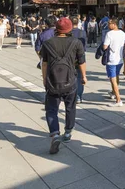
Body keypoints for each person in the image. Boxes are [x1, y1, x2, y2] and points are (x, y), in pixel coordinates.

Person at [41, 17, 87, 154]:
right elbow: (82, 62)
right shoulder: (76, 42)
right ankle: (67, 133)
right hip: (70, 81)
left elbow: (44, 63)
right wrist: (83, 76)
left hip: (53, 82)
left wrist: (44, 79)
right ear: (70, 29)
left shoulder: (48, 43)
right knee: (70, 107)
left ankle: (55, 134)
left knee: (51, 109)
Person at [103, 19, 125, 107]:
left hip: (111, 60)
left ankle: (118, 99)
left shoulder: (109, 34)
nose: (108, 25)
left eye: (109, 23)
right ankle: (113, 92)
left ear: (114, 24)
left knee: (113, 80)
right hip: (119, 60)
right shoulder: (122, 33)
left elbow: (105, 47)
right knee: (116, 77)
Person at [71, 16, 87, 104]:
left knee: (71, 76)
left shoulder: (68, 33)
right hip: (81, 56)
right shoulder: (82, 33)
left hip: (71, 57)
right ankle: (79, 96)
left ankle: (73, 95)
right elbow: (84, 46)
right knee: (80, 76)